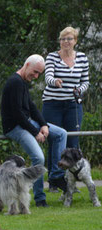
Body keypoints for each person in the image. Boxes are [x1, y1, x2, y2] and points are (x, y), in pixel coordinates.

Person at [0, 54, 68, 207]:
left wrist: (43, 125)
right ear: (27, 64)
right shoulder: (14, 82)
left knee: (60, 134)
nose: (36, 76)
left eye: (39, 73)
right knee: (38, 157)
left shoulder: (23, 82)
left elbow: (31, 107)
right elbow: (17, 114)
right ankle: (39, 198)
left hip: (26, 123)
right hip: (14, 127)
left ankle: (56, 174)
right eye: (35, 72)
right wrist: (35, 132)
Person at [42, 27, 89, 191]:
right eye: (63, 39)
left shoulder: (82, 58)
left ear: (75, 41)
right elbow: (47, 77)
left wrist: (80, 90)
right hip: (52, 104)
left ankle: (72, 181)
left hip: (73, 105)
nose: (65, 42)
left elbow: (85, 81)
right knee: (55, 141)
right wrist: (55, 82)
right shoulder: (52, 57)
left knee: (73, 142)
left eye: (69, 39)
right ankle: (54, 181)